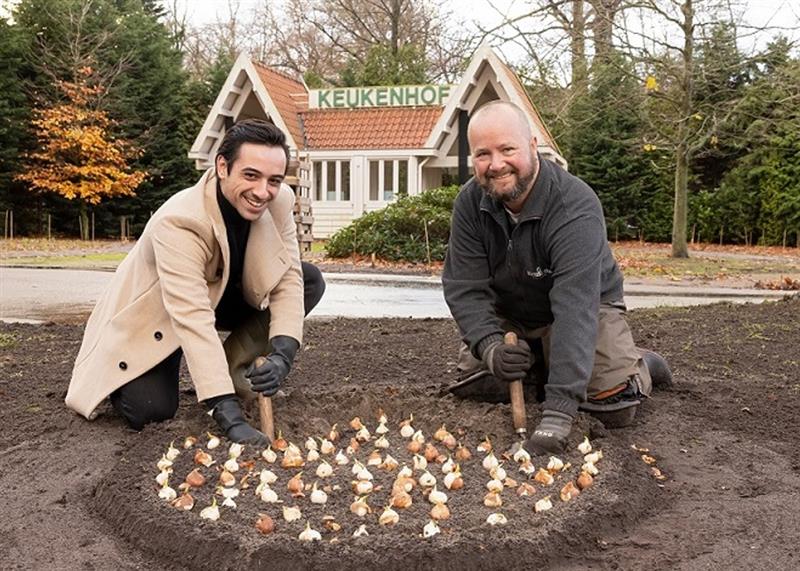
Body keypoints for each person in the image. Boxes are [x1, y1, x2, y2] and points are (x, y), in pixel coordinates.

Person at [66, 119, 325, 446]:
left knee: (309, 280)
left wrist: (282, 354)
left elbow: (287, 278)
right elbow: (192, 316)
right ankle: (163, 363)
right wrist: (228, 417)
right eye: (250, 175)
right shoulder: (180, 221)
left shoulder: (279, 201)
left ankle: (233, 369)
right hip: (160, 314)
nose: (262, 191)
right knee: (150, 410)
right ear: (222, 166)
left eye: (273, 180)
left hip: (224, 293)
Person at [442, 101, 671, 455]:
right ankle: (539, 360)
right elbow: (464, 287)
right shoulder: (471, 203)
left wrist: (559, 412)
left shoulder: (574, 205)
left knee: (612, 405)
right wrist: (489, 348)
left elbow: (575, 308)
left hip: (584, 309)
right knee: (482, 384)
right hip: (513, 315)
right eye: (483, 154)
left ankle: (641, 365)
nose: (496, 164)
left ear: (533, 146)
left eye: (507, 149)